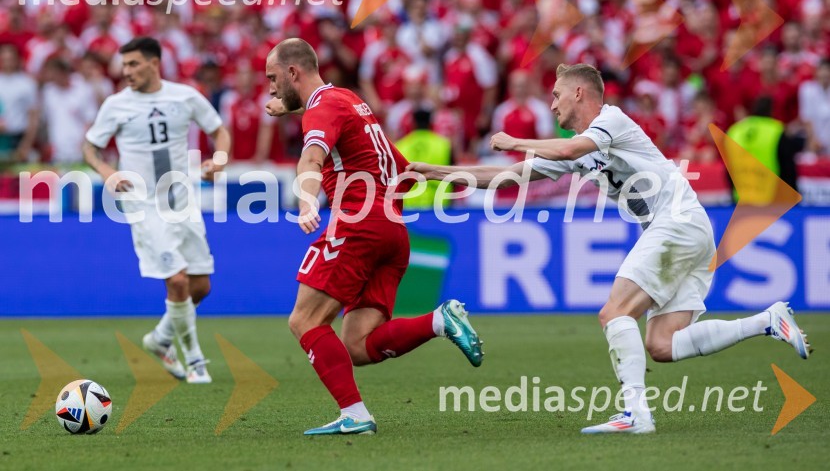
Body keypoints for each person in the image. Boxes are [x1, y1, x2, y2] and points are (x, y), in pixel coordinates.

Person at [409, 63, 811, 435]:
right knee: (662, 345)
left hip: (676, 220)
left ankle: (635, 412)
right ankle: (767, 321)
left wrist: (514, 139)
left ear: (579, 93)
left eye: (555, 95)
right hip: (689, 228)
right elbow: (504, 178)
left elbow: (567, 150)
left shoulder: (611, 120)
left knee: (614, 312)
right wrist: (436, 173)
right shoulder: (579, 147)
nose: (552, 103)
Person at [263, 38, 483, 436]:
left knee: (305, 320)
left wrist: (307, 201)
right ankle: (439, 320)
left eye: (273, 79)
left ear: (293, 72)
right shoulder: (351, 101)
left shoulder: (322, 109)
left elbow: (310, 157)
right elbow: (400, 167)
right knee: (357, 344)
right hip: (393, 231)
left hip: (357, 225)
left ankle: (356, 415)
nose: (271, 88)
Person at [82, 37, 231, 384]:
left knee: (201, 286)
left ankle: (160, 339)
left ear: (154, 63)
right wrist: (107, 171)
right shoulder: (116, 105)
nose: (127, 72)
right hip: (143, 202)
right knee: (177, 280)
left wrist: (219, 159)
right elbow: (90, 147)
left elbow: (219, 131)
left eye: (133, 64)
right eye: (124, 66)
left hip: (181, 198)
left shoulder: (185, 96)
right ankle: (195, 361)